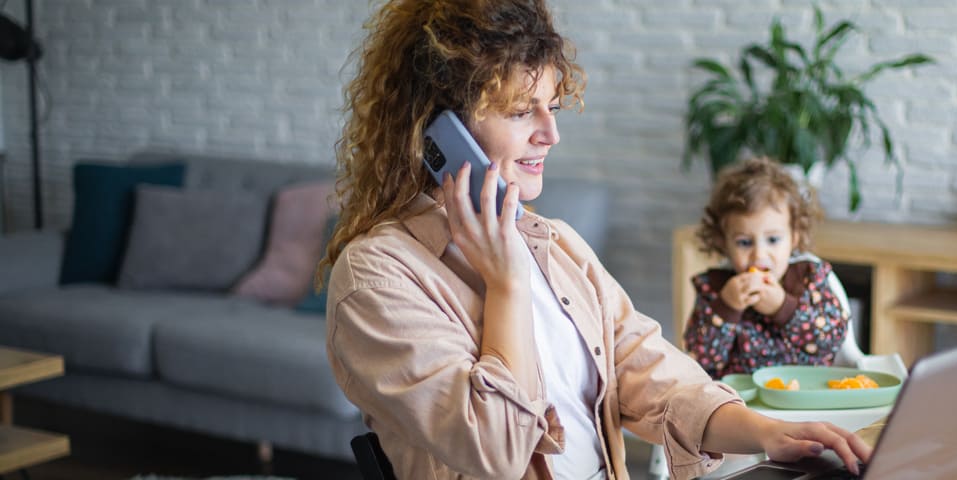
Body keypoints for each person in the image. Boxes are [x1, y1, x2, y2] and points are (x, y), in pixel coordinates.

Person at [319, 1, 871, 478]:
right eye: (519, 111)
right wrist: (507, 284)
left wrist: (770, 433)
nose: (550, 134)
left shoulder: (556, 245)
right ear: (438, 131)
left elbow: (651, 372)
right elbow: (496, 449)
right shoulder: (376, 276)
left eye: (552, 108)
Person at [684, 158, 852, 380]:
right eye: (744, 242)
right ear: (724, 242)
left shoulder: (810, 278)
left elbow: (831, 341)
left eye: (772, 239)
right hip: (741, 404)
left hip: (804, 398)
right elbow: (699, 359)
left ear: (794, 237)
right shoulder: (714, 287)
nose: (759, 255)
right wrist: (726, 307)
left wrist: (783, 307)